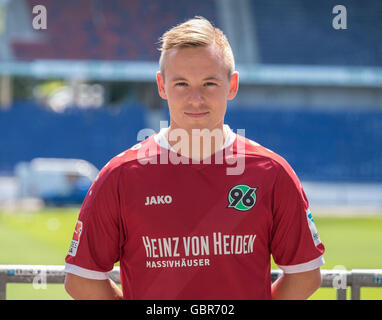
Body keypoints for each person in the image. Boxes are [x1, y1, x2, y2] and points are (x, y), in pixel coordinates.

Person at [64, 16, 325, 300]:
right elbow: (82, 279)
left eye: (209, 83)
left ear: (232, 84)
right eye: (182, 84)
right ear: (162, 86)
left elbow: (304, 274)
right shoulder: (120, 176)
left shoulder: (272, 173)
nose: (196, 99)